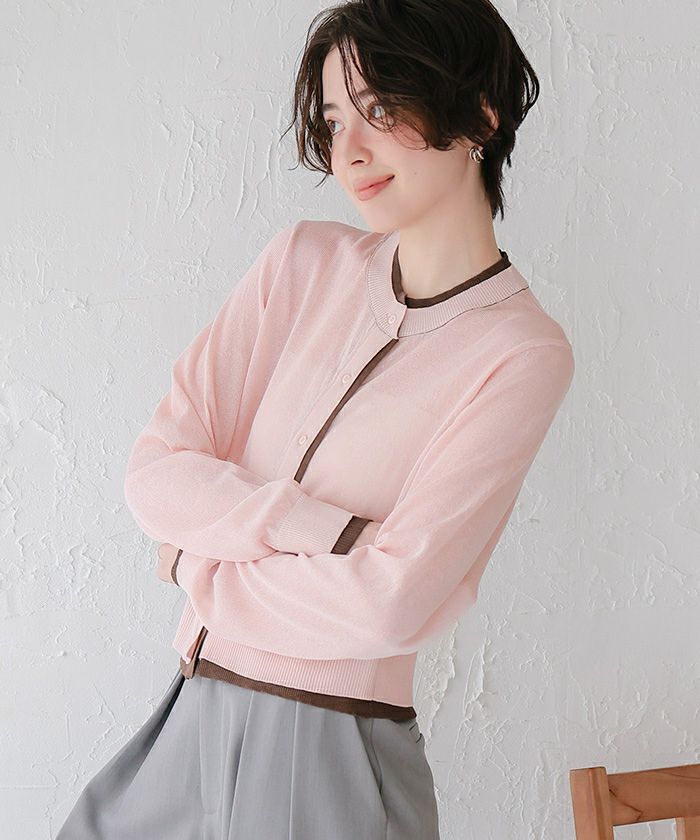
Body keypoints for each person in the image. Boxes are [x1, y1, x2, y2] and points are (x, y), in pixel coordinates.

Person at [56, 1, 574, 838]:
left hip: (330, 747)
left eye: (381, 108)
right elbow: (156, 471)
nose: (350, 150)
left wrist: (195, 563)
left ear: (481, 115)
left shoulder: (519, 354)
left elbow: (386, 605)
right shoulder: (300, 264)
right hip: (190, 714)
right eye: (334, 121)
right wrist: (323, 531)